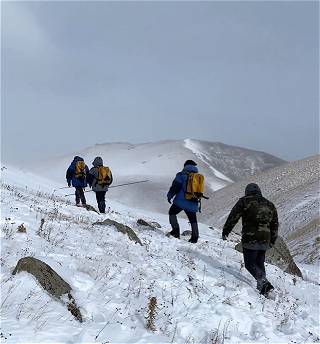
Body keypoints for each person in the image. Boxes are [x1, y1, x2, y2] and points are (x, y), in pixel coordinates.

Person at [221, 183, 278, 296]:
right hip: (265, 238)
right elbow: (275, 224)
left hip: (250, 237)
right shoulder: (269, 204)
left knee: (249, 263)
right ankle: (262, 289)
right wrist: (272, 240)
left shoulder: (244, 201)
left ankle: (265, 285)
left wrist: (226, 230)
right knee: (259, 262)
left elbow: (233, 217)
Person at [167, 160, 201, 243]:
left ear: (185, 166)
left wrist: (169, 196)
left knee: (172, 212)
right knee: (193, 220)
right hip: (193, 201)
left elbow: (175, 187)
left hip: (181, 201)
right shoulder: (198, 177)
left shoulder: (181, 175)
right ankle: (195, 237)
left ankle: (175, 231)